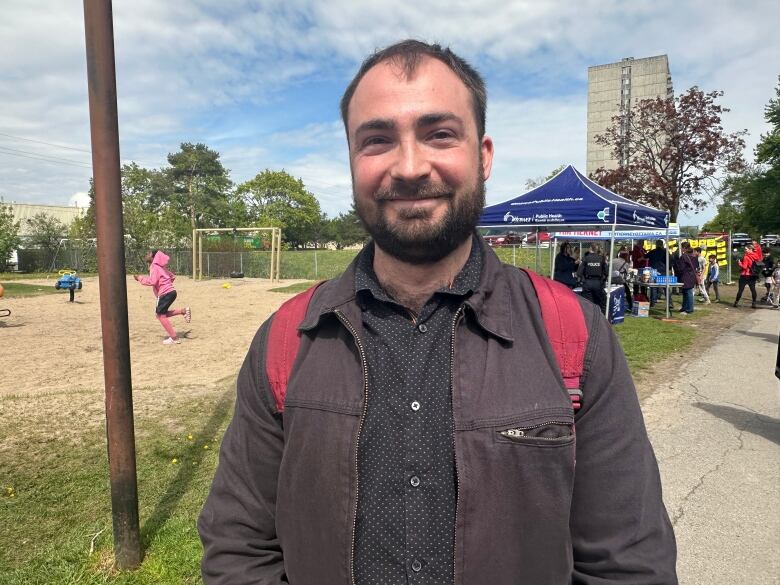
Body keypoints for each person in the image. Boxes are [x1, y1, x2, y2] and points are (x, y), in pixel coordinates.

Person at [198, 40, 677, 584]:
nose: (408, 166)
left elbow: (628, 563)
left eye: (440, 134)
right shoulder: (287, 340)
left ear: (484, 154)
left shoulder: (572, 335)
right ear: (353, 160)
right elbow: (239, 549)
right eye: (377, 140)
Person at [134, 249, 191, 344]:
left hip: (165, 293)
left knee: (160, 316)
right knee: (160, 314)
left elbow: (152, 282)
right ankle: (183, 311)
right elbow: (172, 277)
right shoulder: (161, 267)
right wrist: (165, 285)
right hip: (171, 292)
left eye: (148, 253)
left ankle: (174, 338)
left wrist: (140, 278)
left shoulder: (154, 267)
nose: (146, 255)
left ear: (153, 257)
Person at [577, 242, 607, 311]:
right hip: (598, 283)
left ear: (590, 248)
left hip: (588, 282)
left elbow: (579, 273)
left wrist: (583, 280)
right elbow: (607, 272)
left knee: (588, 304)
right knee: (600, 303)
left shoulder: (585, 258)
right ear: (597, 249)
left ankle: (589, 319)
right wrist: (603, 280)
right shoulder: (601, 259)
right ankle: (601, 318)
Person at [733, 242, 762, 308]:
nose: (745, 250)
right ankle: (754, 303)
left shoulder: (746, 257)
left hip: (745, 275)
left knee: (740, 290)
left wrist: (739, 263)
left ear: (750, 249)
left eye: (746, 249)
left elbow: (744, 267)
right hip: (753, 275)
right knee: (753, 290)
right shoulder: (756, 256)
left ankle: (736, 302)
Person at [676, 242, 698, 315]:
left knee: (688, 293)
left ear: (684, 248)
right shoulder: (694, 256)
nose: (681, 249)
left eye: (682, 247)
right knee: (686, 292)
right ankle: (684, 307)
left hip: (686, 276)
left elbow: (681, 268)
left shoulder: (684, 257)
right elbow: (696, 266)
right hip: (692, 276)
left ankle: (689, 309)